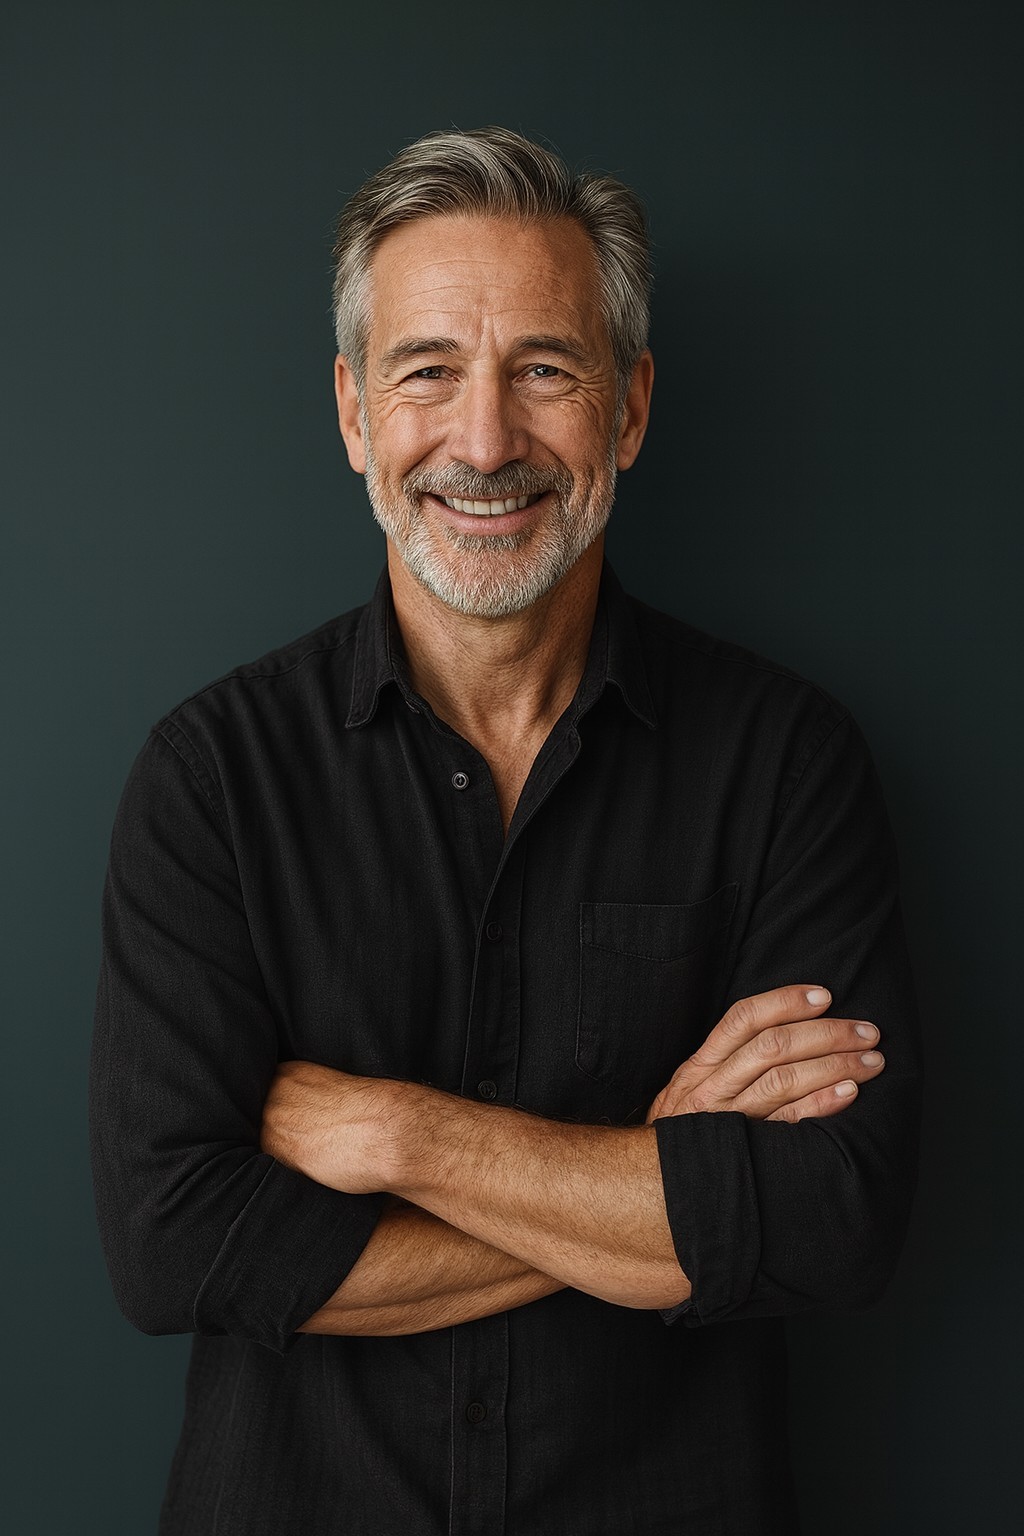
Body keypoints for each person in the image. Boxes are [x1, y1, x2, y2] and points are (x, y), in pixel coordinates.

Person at [91, 127, 921, 1535]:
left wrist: (398, 1133)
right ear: (356, 415)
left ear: (632, 409)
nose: (484, 443)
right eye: (429, 373)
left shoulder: (788, 761)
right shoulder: (209, 778)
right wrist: (651, 1176)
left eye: (545, 369)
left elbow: (828, 1221)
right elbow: (179, 1251)